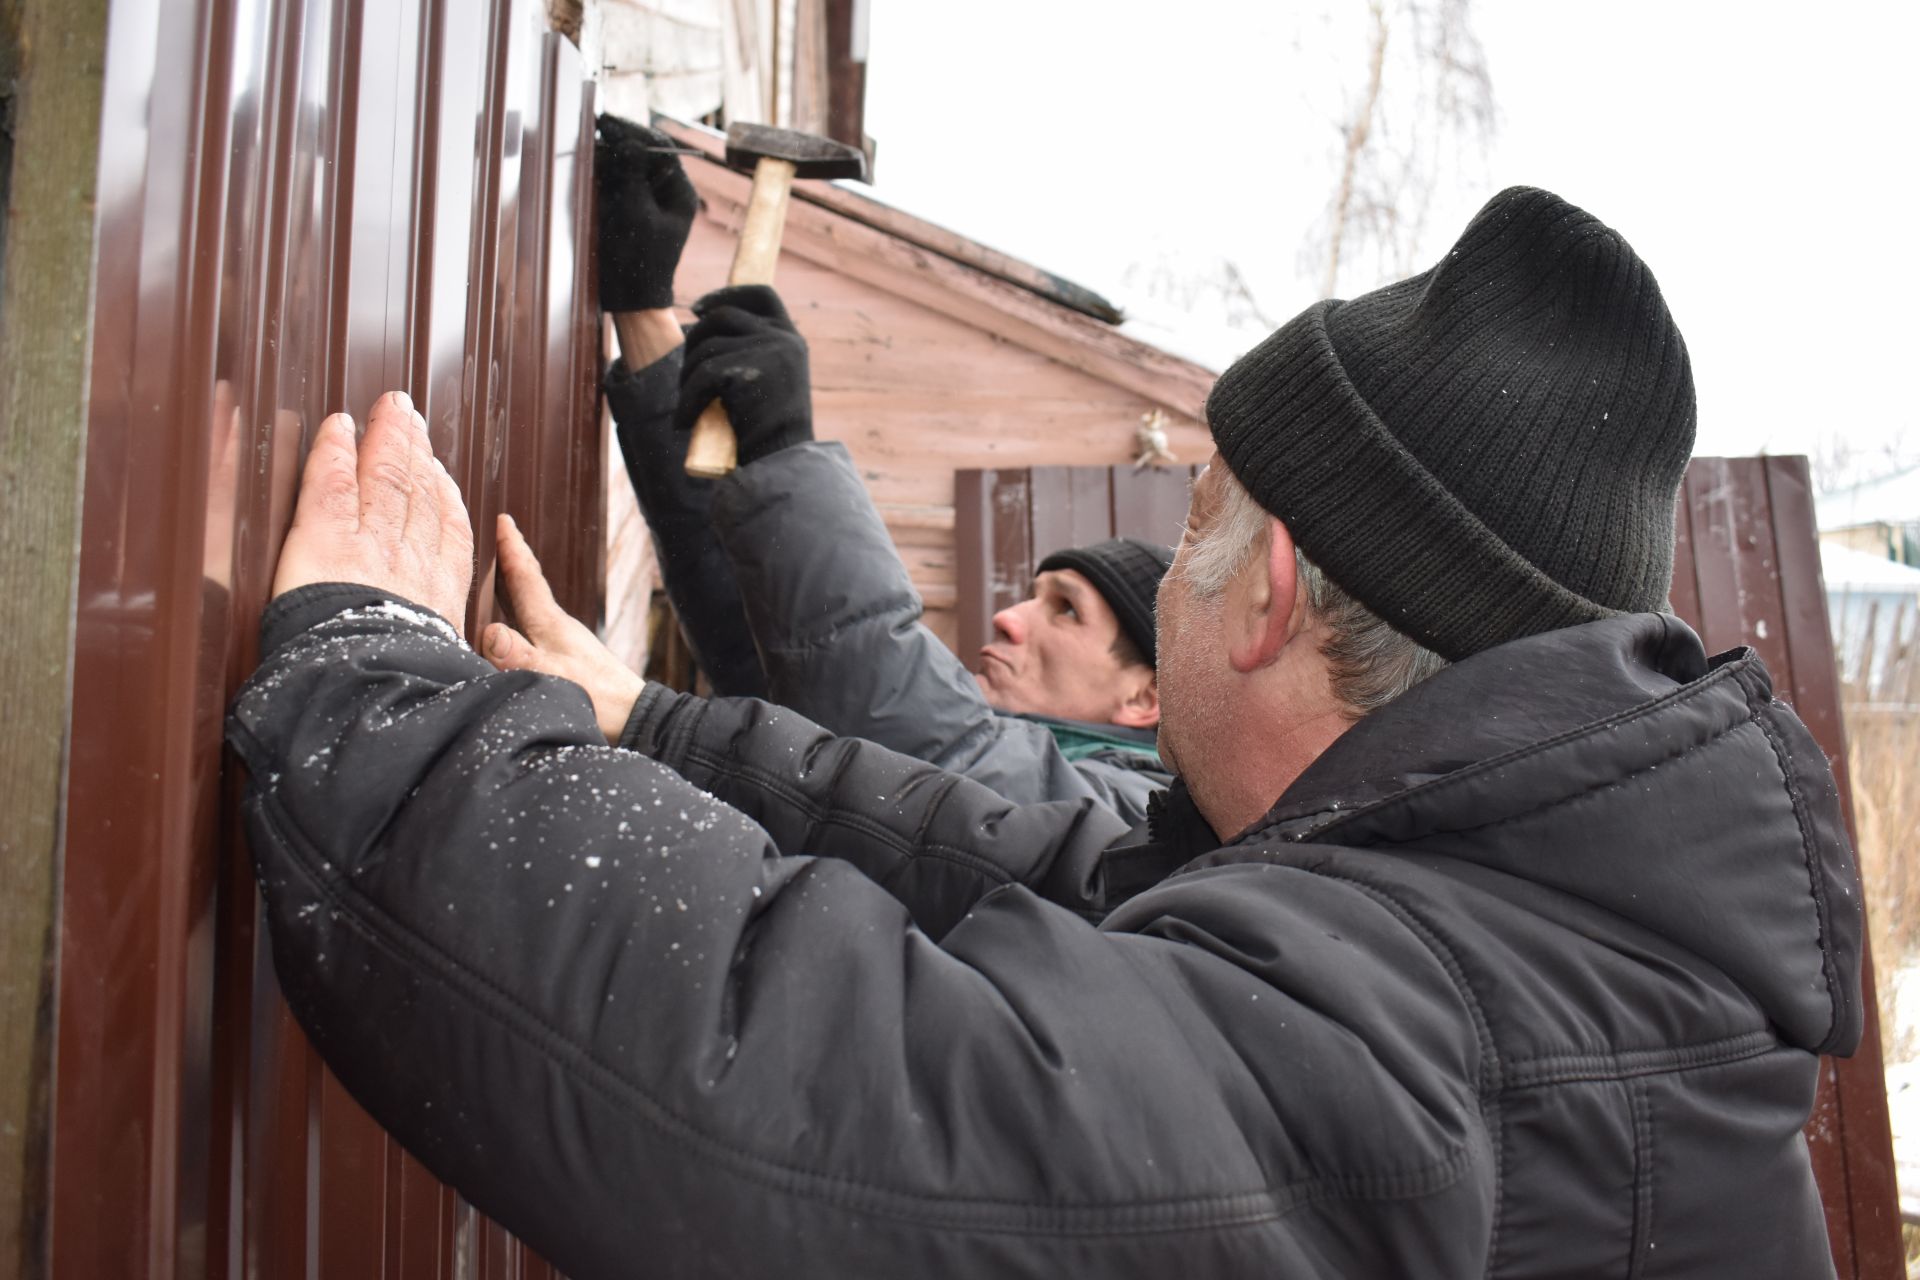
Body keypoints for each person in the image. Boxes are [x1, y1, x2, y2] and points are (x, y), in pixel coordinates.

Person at [229, 186, 1862, 1278]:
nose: (1023, 622)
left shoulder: (1420, 1058)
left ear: (1266, 596)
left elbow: (811, 1090)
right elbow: (1023, 855)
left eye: (1197, 517)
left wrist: (375, 673)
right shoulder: (1504, 938)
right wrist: (646, 717)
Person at [582, 115, 1172, 824]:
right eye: (1036, 595)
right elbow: (756, 632)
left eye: (1066, 610)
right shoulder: (993, 735)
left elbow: (933, 764)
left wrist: (784, 451)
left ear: (1143, 697)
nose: (1009, 619)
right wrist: (644, 310)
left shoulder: (1132, 821)